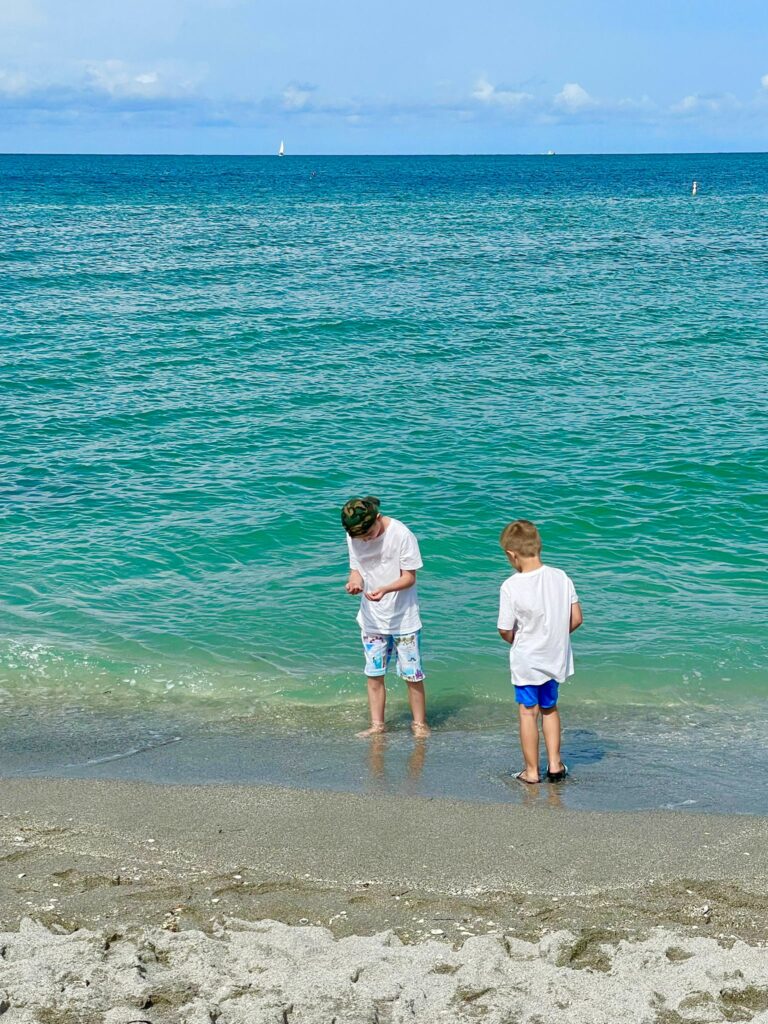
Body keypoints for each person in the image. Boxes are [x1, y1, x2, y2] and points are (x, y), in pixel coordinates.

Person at [497, 519, 582, 784]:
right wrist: (554, 637)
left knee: (527, 711)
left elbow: (504, 629)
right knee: (550, 708)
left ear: (512, 555)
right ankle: (555, 765)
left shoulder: (511, 586)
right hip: (554, 657)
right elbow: (576, 618)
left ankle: (532, 771)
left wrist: (519, 642)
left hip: (527, 661)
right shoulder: (561, 577)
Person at [341, 496, 430, 739]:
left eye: (369, 534)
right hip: (372, 619)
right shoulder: (354, 535)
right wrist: (354, 583)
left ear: (378, 518)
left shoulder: (401, 534)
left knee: (412, 675)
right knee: (374, 674)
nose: (366, 540)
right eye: (361, 538)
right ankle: (377, 725)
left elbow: (409, 577)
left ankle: (419, 725)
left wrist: (385, 589)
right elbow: (356, 568)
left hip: (404, 619)